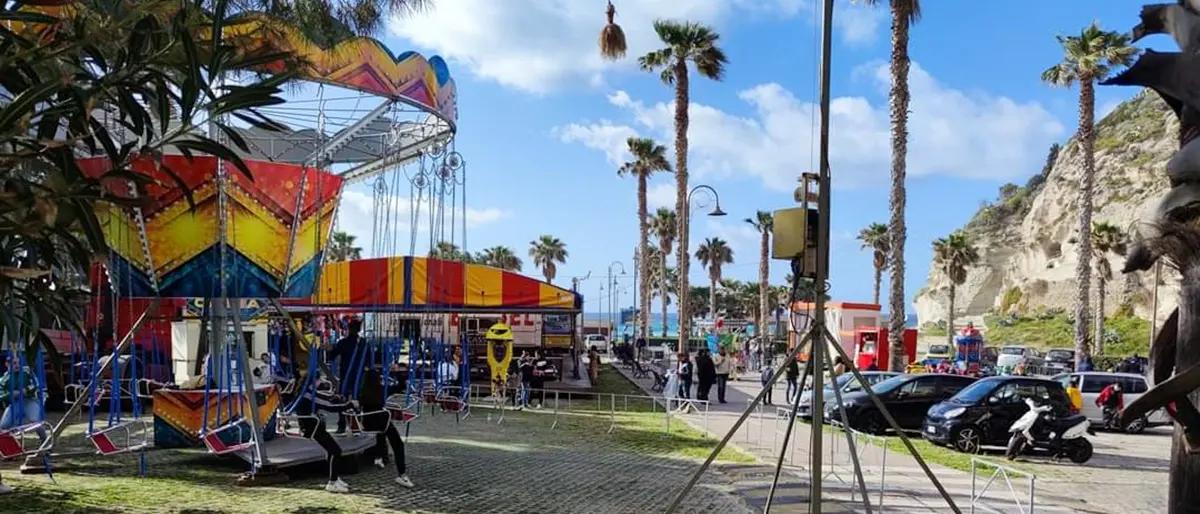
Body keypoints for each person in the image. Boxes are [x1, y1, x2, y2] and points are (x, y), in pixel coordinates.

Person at [279, 373, 356, 493]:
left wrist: (335, 397)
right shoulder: (309, 394)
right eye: (319, 380)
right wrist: (349, 405)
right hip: (312, 426)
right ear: (314, 381)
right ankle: (332, 482)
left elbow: (324, 398)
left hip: (313, 424)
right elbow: (328, 406)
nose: (320, 382)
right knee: (336, 451)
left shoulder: (307, 391)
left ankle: (334, 477)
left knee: (332, 450)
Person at [358, 366, 414, 489]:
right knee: (398, 444)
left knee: (380, 435)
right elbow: (399, 387)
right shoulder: (381, 390)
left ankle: (379, 457)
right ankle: (401, 473)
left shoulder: (361, 391)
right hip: (382, 421)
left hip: (368, 423)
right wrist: (400, 376)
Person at [327, 319, 363, 433]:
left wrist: (330, 349)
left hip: (346, 375)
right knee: (358, 400)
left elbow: (332, 356)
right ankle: (357, 424)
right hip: (359, 375)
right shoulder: (363, 342)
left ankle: (341, 425)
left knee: (343, 400)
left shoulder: (343, 342)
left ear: (349, 329)